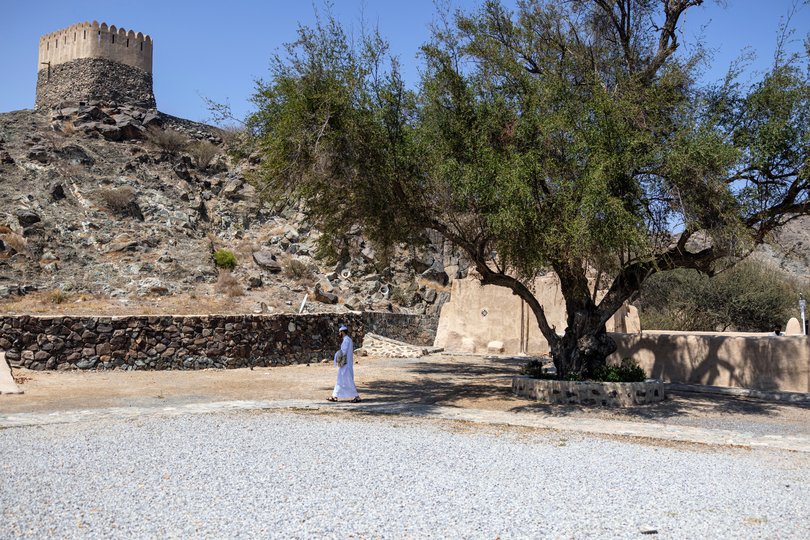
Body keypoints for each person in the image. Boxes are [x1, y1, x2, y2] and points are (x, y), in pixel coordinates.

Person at [327, 325, 361, 403]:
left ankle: (357, 396)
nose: (339, 334)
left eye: (340, 332)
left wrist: (336, 355)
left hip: (346, 365)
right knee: (340, 381)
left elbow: (343, 351)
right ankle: (334, 396)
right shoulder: (348, 339)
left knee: (348, 381)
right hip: (346, 364)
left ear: (342, 332)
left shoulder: (346, 340)